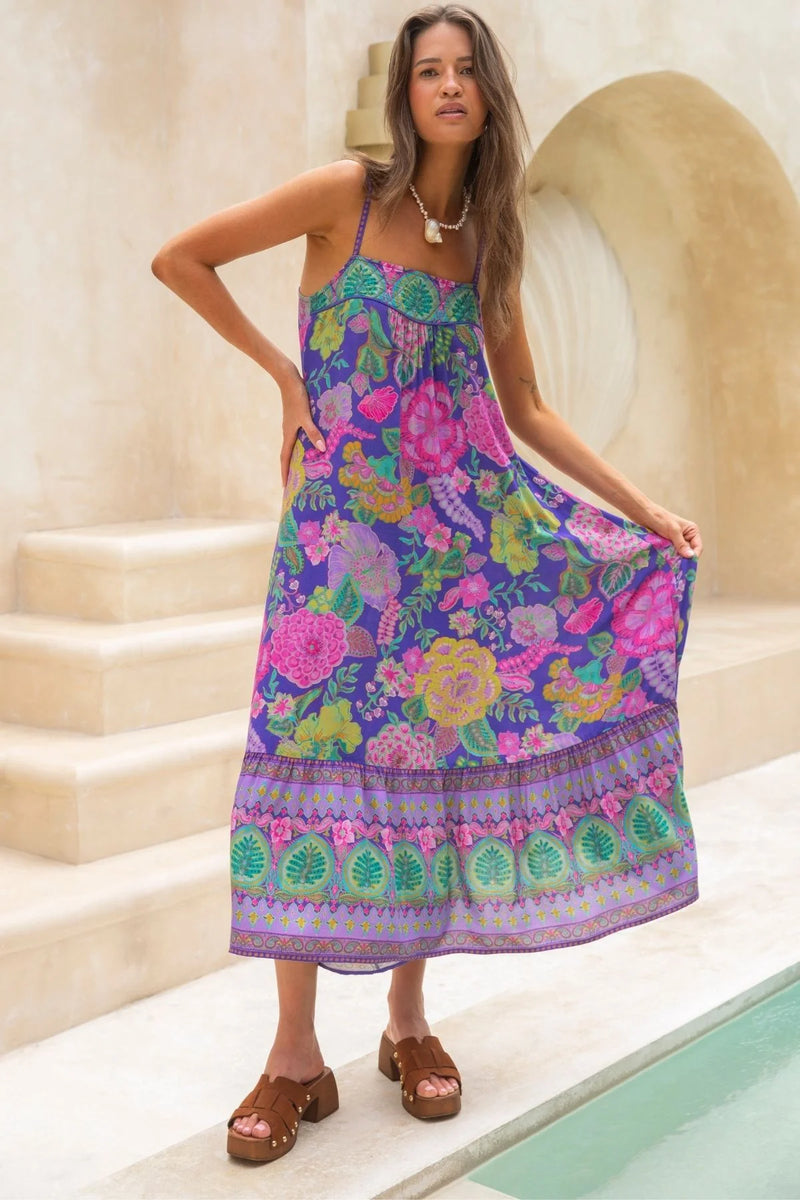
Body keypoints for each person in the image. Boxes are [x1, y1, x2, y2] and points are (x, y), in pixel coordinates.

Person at [152, 2, 703, 1165]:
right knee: (303, 760)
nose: (446, 87)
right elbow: (180, 258)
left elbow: (525, 406)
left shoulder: (484, 241)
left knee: (429, 769)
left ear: (487, 94)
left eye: (463, 70)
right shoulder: (343, 197)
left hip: (450, 559)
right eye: (426, 71)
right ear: (404, 94)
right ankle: (293, 1058)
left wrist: (641, 508)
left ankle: (405, 1026)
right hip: (333, 553)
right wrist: (285, 380)